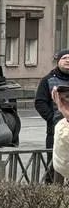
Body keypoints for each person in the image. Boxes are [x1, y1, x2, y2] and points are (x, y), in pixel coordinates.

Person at [33, 49, 69, 177]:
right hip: (55, 130)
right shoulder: (47, 80)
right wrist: (52, 118)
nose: (68, 60)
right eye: (64, 58)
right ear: (58, 61)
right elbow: (40, 102)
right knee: (54, 165)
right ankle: (53, 192)